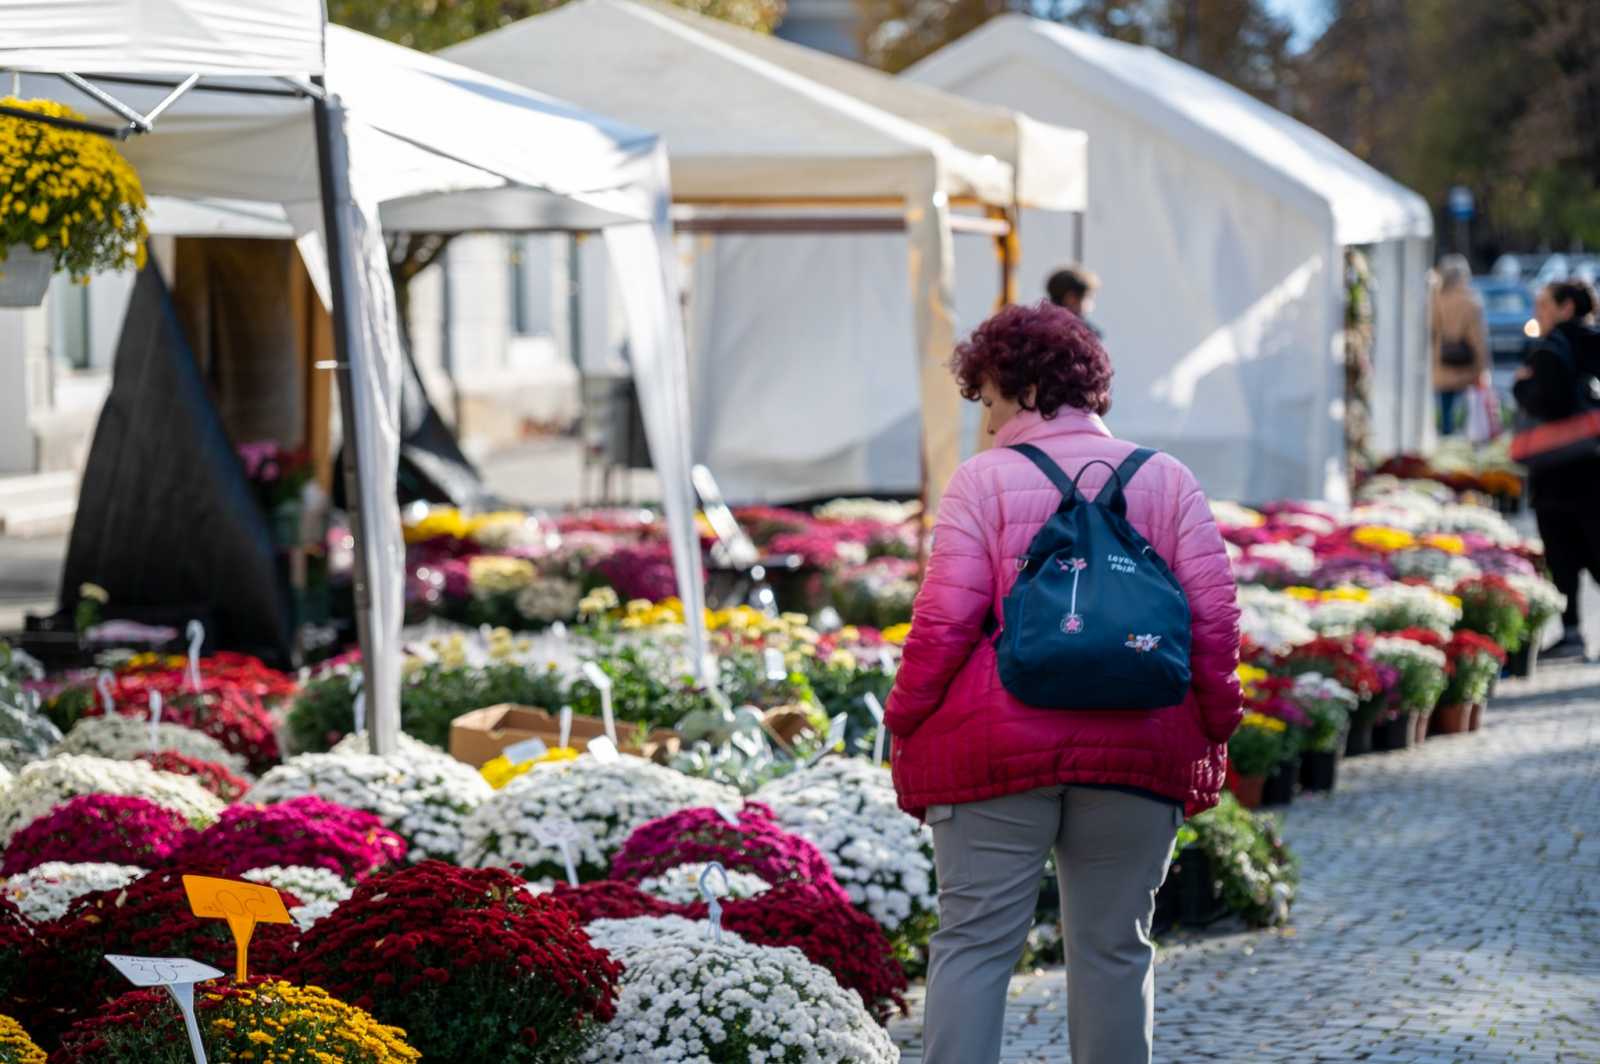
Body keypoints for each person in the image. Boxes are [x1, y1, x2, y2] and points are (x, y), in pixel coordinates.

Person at [886, 302, 1243, 1064]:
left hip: (996, 751)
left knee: (975, 946)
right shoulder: (1170, 480)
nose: (984, 423)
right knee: (1116, 949)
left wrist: (906, 716)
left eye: (986, 400)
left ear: (1020, 388)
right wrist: (1213, 724)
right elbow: (1214, 621)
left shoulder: (983, 483)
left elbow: (944, 623)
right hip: (1139, 743)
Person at [1514, 279, 1600, 659]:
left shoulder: (1549, 351)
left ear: (1566, 308)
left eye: (1545, 305)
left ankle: (1570, 633)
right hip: (1594, 466)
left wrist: (1520, 388)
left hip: (1558, 473)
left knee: (1563, 555)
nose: (1538, 313)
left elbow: (1549, 403)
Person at [1430, 255, 1490, 435]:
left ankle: (1447, 439)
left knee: (1446, 409)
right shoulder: (1471, 302)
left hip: (1442, 361)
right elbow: (1478, 339)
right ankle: (1468, 444)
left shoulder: (1435, 300)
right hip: (1467, 364)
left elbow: (1430, 330)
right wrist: (1483, 368)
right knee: (1471, 410)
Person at [1046, 264, 1103, 337]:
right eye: (1088, 298)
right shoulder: (1079, 333)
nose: (1091, 306)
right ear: (1071, 298)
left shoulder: (1037, 325)